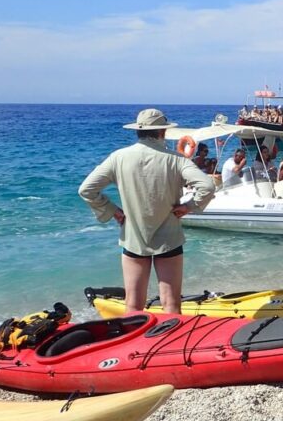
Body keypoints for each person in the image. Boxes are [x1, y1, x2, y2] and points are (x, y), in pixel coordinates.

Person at [78, 108, 215, 314]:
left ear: (138, 132)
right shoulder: (176, 160)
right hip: (169, 238)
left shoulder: (119, 157)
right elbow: (207, 186)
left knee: (133, 305)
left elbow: (86, 189)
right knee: (171, 304)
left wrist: (112, 210)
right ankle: (171, 344)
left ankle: (134, 346)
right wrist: (189, 207)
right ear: (163, 132)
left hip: (134, 237)